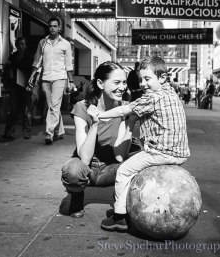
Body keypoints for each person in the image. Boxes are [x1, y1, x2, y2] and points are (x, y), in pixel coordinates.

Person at [90, 56, 190, 231]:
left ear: (162, 78)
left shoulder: (152, 97)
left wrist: (100, 114)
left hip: (160, 152)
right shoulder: (171, 93)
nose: (143, 84)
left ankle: (119, 217)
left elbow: (123, 109)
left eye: (148, 79)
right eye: (141, 79)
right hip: (179, 154)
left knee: (123, 171)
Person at [60, 61, 140, 218]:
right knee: (73, 170)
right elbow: (85, 157)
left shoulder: (125, 108)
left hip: (112, 168)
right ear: (100, 83)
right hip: (88, 168)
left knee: (143, 159)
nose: (122, 87)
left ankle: (123, 201)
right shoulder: (82, 107)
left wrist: (130, 122)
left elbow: (120, 156)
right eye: (116, 82)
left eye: (124, 82)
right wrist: (95, 124)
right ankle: (77, 198)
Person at [26, 16, 75, 145]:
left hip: (59, 77)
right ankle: (60, 131)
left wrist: (71, 81)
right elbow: (37, 61)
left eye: (55, 26)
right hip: (46, 78)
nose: (52, 28)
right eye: (50, 26)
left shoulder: (66, 44)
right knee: (52, 106)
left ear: (59, 28)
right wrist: (32, 76)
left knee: (54, 105)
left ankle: (49, 132)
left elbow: (68, 64)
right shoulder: (43, 42)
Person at [1, 37, 34, 141]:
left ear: (25, 45)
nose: (20, 46)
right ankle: (8, 133)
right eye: (19, 44)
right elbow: (7, 71)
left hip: (25, 86)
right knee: (13, 110)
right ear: (16, 45)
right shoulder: (12, 57)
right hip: (14, 86)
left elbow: (32, 72)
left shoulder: (29, 58)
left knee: (26, 111)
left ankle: (27, 133)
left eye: (22, 44)